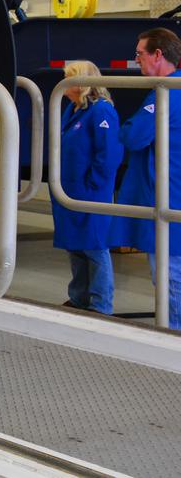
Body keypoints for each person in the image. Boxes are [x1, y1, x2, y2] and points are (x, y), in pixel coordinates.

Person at [111, 27, 181, 329]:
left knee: (170, 275)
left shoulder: (166, 92)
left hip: (169, 197)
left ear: (158, 54)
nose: (136, 60)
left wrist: (126, 125)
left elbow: (134, 136)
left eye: (140, 54)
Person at [54, 60, 121, 314]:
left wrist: (93, 183)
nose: (64, 84)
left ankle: (101, 303)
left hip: (91, 191)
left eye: (69, 78)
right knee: (75, 246)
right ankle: (79, 298)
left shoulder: (101, 111)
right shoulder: (73, 109)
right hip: (70, 189)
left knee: (94, 247)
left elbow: (109, 153)